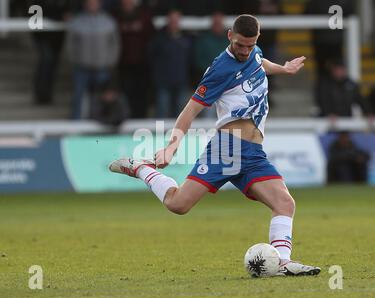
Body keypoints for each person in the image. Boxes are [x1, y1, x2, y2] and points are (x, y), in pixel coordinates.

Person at [109, 15, 321, 276]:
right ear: (230, 35)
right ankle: (141, 167)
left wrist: (284, 68)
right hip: (226, 149)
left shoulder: (253, 52)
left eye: (250, 45)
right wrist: (171, 147)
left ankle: (283, 263)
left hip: (253, 153)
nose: (245, 51)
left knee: (285, 203)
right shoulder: (220, 69)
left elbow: (259, 63)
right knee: (178, 205)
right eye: (241, 45)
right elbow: (188, 112)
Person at [67, 0, 120, 119]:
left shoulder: (108, 21)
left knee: (100, 99)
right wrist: (74, 60)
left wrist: (111, 61)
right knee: (78, 98)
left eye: (94, 3)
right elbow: (70, 45)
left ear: (99, 4)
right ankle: (75, 126)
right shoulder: (77, 22)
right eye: (89, 3)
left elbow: (115, 44)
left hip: (102, 68)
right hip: (81, 67)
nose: (92, 5)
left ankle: (99, 123)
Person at [114, 0, 155, 119]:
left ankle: (141, 118)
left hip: (142, 62)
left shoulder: (144, 15)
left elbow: (151, 34)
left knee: (141, 92)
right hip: (124, 62)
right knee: (126, 92)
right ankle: (127, 117)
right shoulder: (116, 15)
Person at [28, 0, 72, 105]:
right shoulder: (38, 2)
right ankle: (40, 93)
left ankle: (47, 95)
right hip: (43, 37)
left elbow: (67, 13)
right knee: (47, 60)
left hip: (57, 38)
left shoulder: (63, 3)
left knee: (53, 64)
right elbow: (33, 16)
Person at [149, 10, 192, 118]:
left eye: (176, 20)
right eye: (172, 20)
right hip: (163, 81)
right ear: (168, 21)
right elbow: (151, 57)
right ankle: (160, 135)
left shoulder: (186, 39)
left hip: (181, 81)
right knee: (162, 111)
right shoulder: (159, 39)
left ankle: (179, 135)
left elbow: (190, 61)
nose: (174, 23)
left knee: (181, 113)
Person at [316, 61, 371, 126]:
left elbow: (361, 100)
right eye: (337, 69)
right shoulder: (325, 84)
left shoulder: (351, 84)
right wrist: (328, 113)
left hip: (347, 119)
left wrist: (369, 113)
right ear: (332, 70)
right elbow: (322, 100)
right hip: (328, 121)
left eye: (341, 69)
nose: (339, 72)